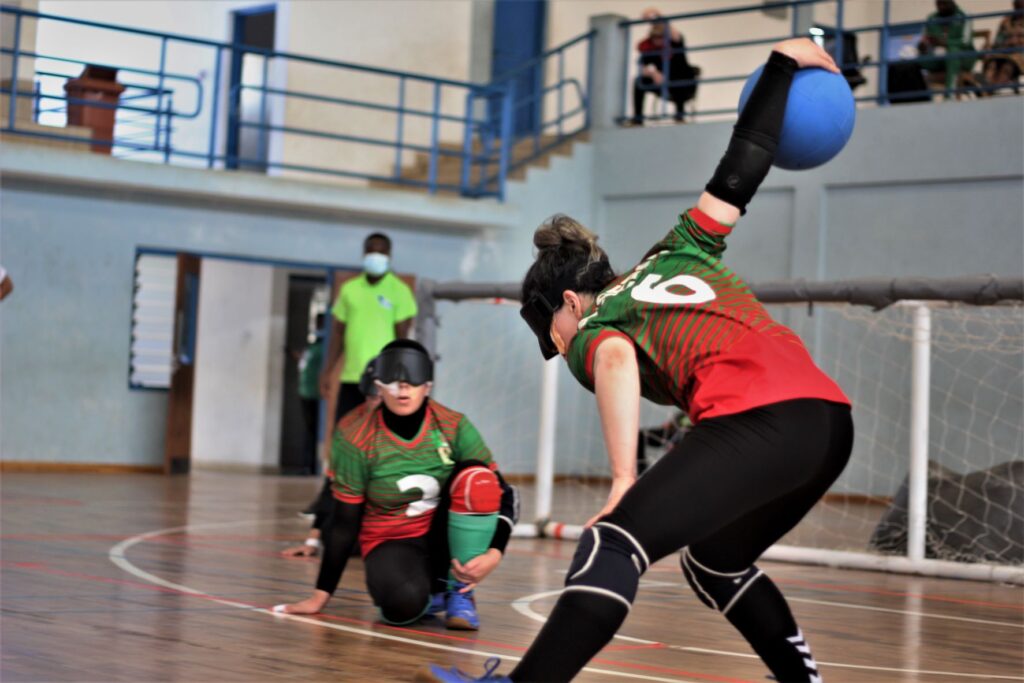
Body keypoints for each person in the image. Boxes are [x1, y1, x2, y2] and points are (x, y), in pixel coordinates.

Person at [424, 38, 852, 683]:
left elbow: (617, 361)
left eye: (555, 333)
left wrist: (624, 479)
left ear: (569, 303)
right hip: (827, 422)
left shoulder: (599, 324)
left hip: (759, 419)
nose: (561, 346)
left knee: (611, 541)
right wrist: (783, 64)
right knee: (716, 559)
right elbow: (745, 162)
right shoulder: (678, 250)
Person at [275, 340, 518, 631]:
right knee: (402, 608)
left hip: (443, 536)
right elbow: (344, 522)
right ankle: (429, 592)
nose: (403, 386)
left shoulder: (453, 425)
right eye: (393, 377)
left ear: (427, 384)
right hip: (389, 540)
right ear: (378, 384)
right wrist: (320, 595)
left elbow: (505, 492)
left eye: (412, 378)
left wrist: (495, 552)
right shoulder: (355, 435)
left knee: (477, 478)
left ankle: (459, 591)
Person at [287, 233, 418, 557]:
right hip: (350, 381)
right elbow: (337, 336)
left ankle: (383, 525)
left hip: (384, 383)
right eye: (371, 252)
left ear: (389, 256)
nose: (375, 257)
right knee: (344, 449)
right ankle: (323, 523)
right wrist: (326, 370)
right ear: (364, 254)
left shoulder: (399, 292)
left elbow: (404, 340)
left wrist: (400, 382)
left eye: (381, 253)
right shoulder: (349, 290)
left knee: (383, 452)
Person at [631, 8, 699, 125]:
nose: (658, 40)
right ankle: (638, 119)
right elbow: (642, 67)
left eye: (661, 37)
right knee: (638, 81)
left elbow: (675, 33)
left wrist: (656, 14)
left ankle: (679, 117)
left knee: (680, 79)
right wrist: (653, 73)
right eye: (655, 37)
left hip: (683, 84)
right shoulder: (650, 49)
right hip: (665, 84)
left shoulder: (675, 44)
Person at [919, 0, 976, 96]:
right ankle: (914, 98)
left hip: (964, 57)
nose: (941, 7)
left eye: (944, 3)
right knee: (914, 60)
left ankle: (950, 96)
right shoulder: (931, 18)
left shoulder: (964, 16)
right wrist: (923, 47)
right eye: (938, 4)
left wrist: (945, 43)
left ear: (952, 2)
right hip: (939, 58)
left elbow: (966, 42)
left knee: (953, 54)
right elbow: (925, 39)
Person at [982, 0, 1024, 91]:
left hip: (1020, 55)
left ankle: (993, 89)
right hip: (1003, 52)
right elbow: (998, 40)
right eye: (1017, 3)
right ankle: (987, 88)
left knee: (1007, 66)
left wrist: (1016, 42)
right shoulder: (1006, 21)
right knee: (992, 64)